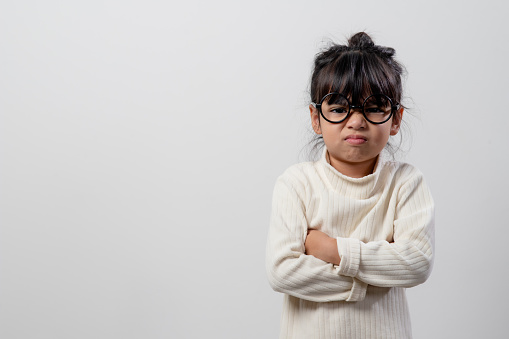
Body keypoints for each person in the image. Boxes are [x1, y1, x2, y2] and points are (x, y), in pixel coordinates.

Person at [265, 32, 435, 339]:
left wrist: (332, 249)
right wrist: (369, 280)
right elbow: (282, 271)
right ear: (316, 118)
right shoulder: (296, 183)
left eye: (373, 107)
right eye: (339, 108)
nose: (356, 121)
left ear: (395, 119)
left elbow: (416, 263)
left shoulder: (406, 182)